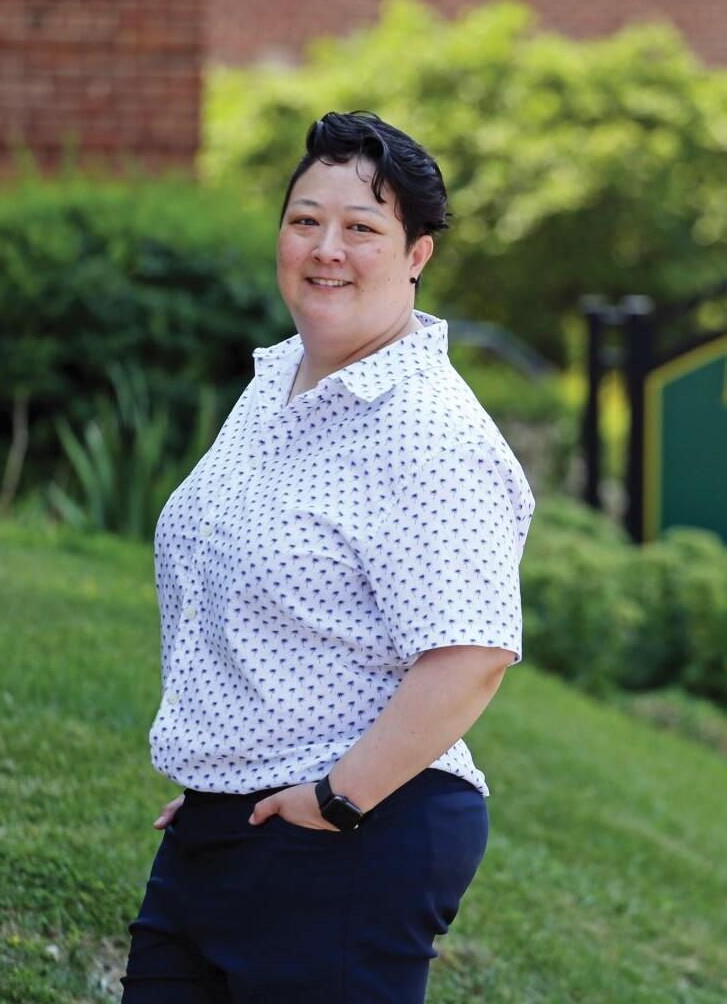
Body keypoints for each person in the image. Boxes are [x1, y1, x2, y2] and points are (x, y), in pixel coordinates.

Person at [120, 110, 536, 1004]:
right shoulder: (280, 385)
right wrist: (223, 777)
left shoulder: (428, 430)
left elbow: (471, 656)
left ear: (416, 254)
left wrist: (333, 800)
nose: (325, 249)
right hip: (228, 825)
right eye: (305, 220)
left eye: (361, 228)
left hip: (354, 834)